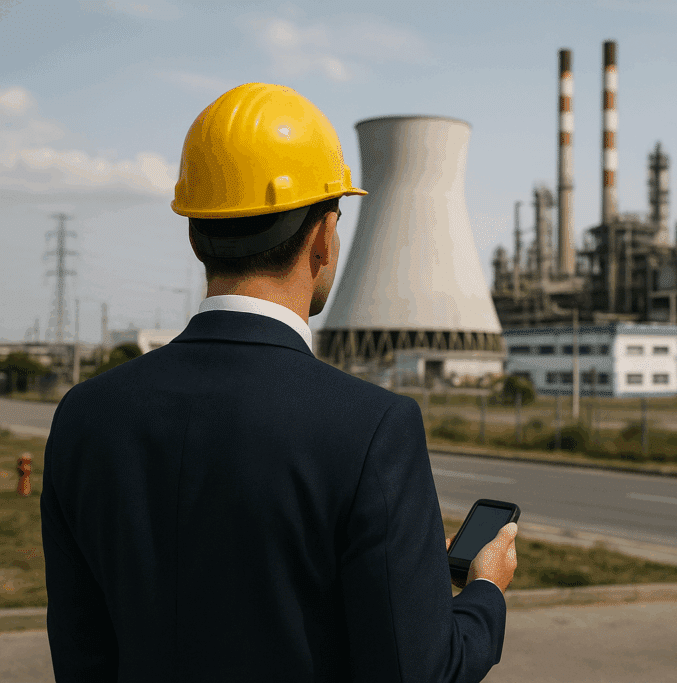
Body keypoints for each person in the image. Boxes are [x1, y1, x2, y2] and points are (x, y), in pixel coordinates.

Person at [40, 82, 518, 682]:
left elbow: (81, 652)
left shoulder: (86, 414)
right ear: (322, 237)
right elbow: (416, 671)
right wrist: (486, 593)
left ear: (194, 233)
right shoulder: (370, 430)